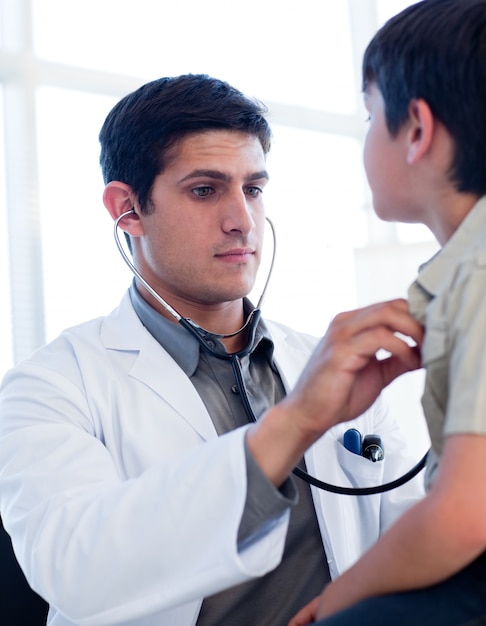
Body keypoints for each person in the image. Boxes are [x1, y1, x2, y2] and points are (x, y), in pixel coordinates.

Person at [0, 74, 424, 626]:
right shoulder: (49, 387)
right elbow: (76, 569)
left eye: (252, 188)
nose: (242, 220)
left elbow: (410, 528)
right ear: (127, 209)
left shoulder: (327, 363)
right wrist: (293, 424)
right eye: (205, 190)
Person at [289, 1, 486, 625]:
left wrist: (335, 606)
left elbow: (462, 515)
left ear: (418, 129)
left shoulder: (476, 273)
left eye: (371, 114)